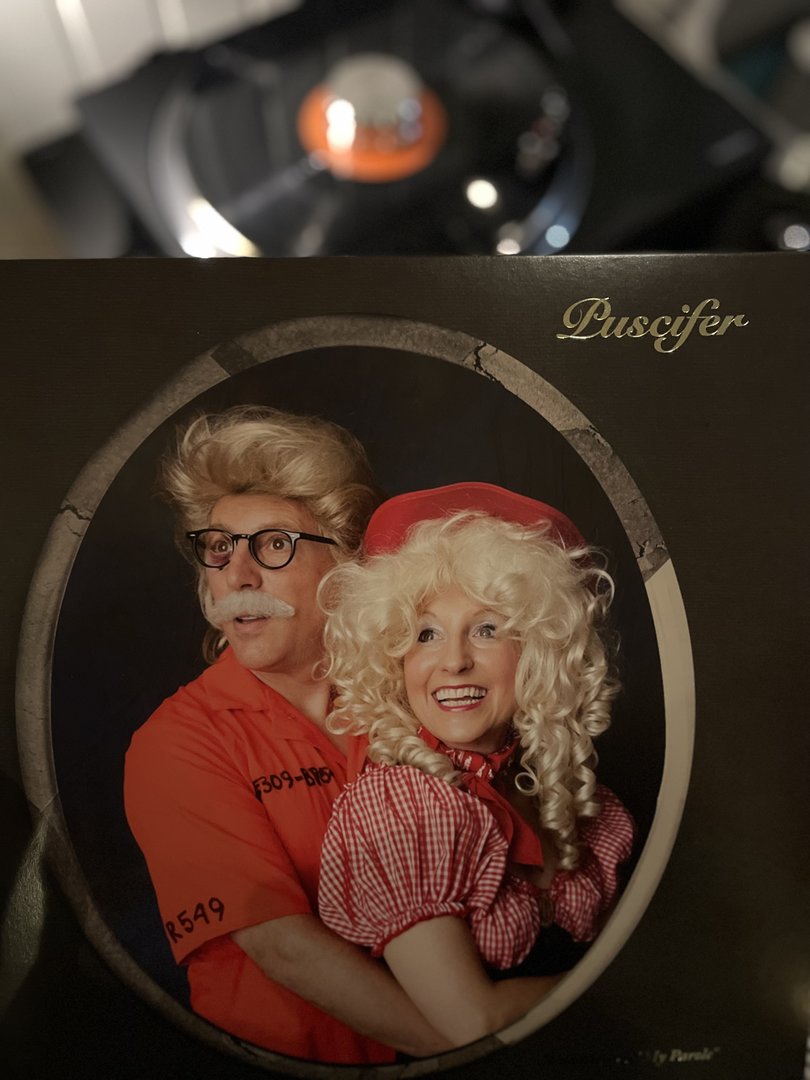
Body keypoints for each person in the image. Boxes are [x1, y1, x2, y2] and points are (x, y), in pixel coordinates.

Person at [123, 406, 449, 1063]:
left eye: (274, 545)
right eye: (219, 547)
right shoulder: (177, 741)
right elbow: (282, 945)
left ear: (346, 565)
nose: (238, 575)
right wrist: (475, 1049)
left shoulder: (416, 698)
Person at [318, 482, 636, 1048]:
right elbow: (473, 1022)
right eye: (426, 634)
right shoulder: (397, 811)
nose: (455, 661)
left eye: (487, 629)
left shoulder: (570, 801)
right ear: (393, 659)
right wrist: (641, 984)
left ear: (537, 650)